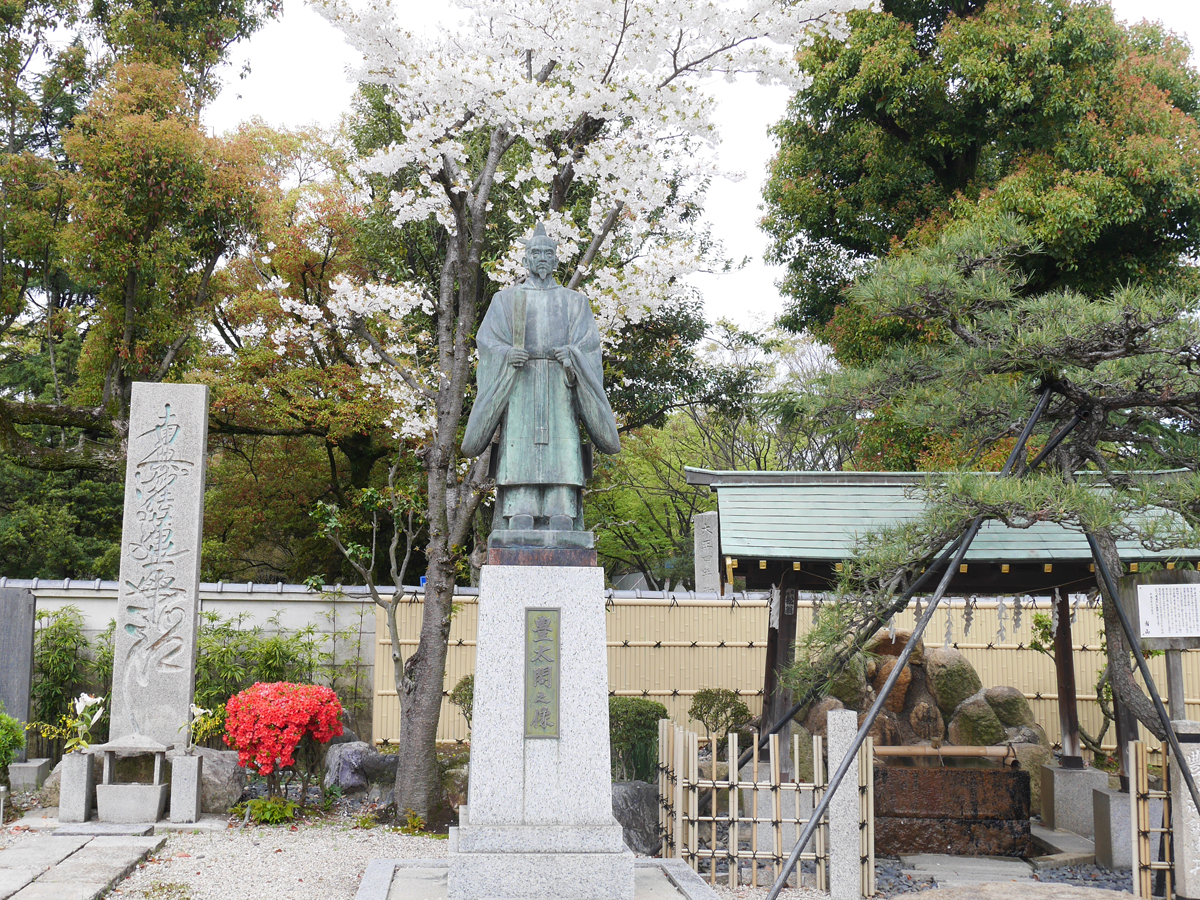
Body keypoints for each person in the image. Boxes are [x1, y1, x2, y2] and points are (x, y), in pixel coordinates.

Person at [462, 222, 620, 539]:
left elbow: (590, 348)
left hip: (561, 385)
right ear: (526, 260)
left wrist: (573, 357)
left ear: (557, 259)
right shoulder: (505, 300)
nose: (543, 258)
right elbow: (487, 343)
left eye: (548, 253)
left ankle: (562, 509)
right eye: (536, 252)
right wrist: (507, 355)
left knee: (562, 445)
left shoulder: (576, 303)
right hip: (518, 383)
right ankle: (520, 508)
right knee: (519, 444)